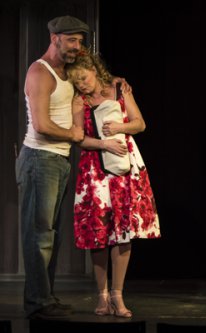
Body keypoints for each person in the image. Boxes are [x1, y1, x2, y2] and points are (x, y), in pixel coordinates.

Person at [66, 48, 161, 318]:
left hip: (124, 166)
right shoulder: (78, 100)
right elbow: (78, 137)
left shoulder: (120, 90)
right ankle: (102, 296)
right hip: (94, 169)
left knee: (123, 232)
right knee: (98, 232)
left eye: (84, 78)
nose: (82, 84)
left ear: (95, 70)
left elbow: (140, 123)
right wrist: (102, 143)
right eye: (76, 82)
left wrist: (120, 128)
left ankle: (118, 297)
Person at [15, 15, 89, 320]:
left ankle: (45, 297)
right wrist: (73, 134)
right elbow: (43, 125)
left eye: (80, 41)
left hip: (58, 161)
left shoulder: (66, 71)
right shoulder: (40, 72)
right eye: (71, 40)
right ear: (54, 38)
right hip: (39, 159)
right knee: (39, 234)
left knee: (52, 236)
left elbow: (93, 78)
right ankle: (37, 302)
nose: (77, 46)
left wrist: (116, 82)